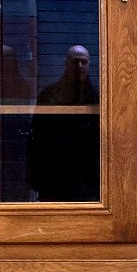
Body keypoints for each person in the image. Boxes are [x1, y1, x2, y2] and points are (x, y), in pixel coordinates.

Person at [28, 45, 100, 201]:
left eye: (83, 62)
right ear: (66, 63)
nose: (79, 66)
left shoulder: (98, 98)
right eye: (75, 62)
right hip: (55, 175)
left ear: (88, 64)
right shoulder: (48, 95)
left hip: (88, 179)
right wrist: (36, 180)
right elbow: (37, 141)